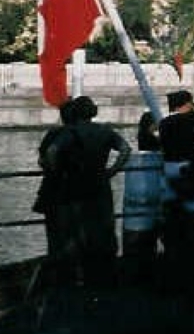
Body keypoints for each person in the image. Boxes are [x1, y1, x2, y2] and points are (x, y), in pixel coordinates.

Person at [37, 96, 131, 286]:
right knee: (103, 227)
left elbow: (52, 152)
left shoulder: (70, 133)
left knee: (75, 230)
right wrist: (112, 170)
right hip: (100, 184)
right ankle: (104, 273)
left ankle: (75, 276)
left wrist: (55, 170)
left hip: (75, 184)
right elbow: (125, 149)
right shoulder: (105, 131)